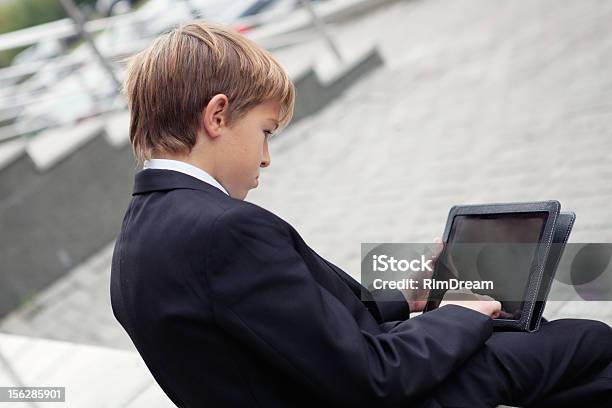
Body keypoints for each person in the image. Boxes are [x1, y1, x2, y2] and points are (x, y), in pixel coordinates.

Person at [110, 21, 612, 407]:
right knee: (587, 342)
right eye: (265, 131)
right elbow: (373, 378)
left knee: (538, 336)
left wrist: (409, 296)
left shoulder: (136, 241)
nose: (266, 157)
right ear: (217, 116)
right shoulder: (223, 230)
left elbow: (294, 334)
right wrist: (460, 313)